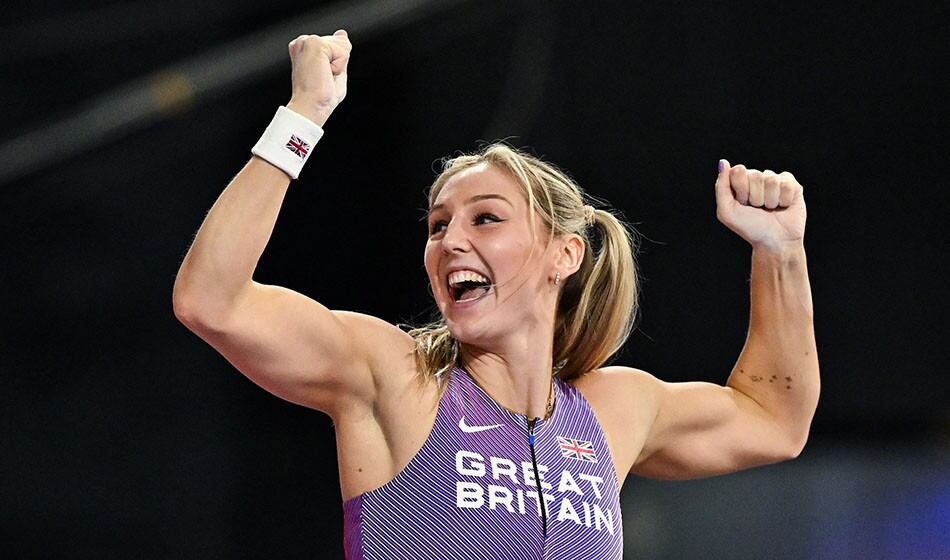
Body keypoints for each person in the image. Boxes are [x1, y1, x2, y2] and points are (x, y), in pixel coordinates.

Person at [173, 30, 819, 559]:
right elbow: (212, 299)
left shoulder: (610, 414)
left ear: (564, 255)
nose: (450, 240)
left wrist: (780, 253)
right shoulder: (392, 379)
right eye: (436, 225)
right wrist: (303, 116)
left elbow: (774, 419)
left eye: (484, 218)